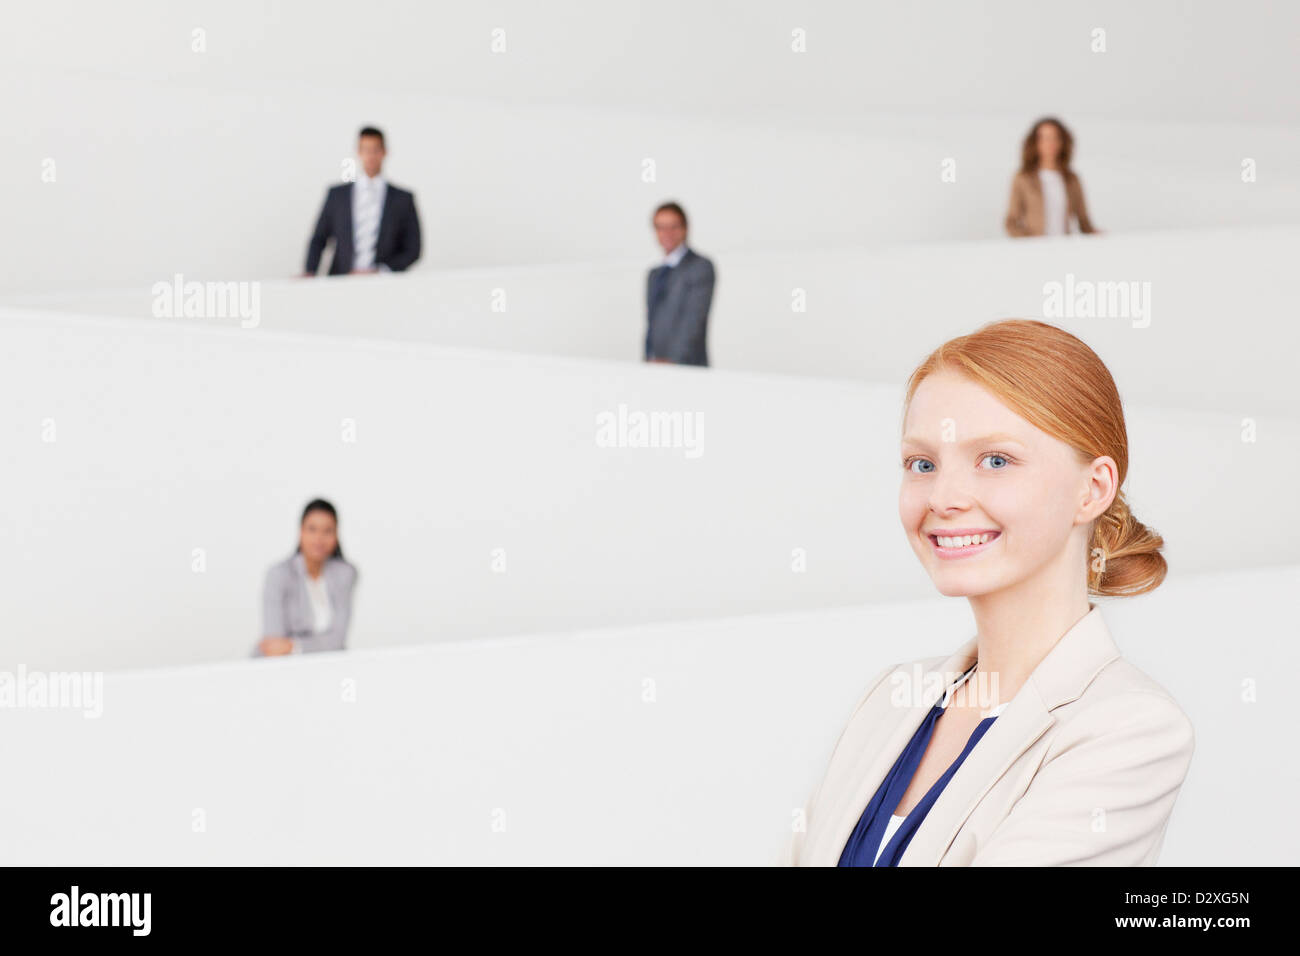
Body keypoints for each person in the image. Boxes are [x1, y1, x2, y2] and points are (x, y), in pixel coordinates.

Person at [784, 319, 1193, 866]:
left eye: (995, 460)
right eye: (922, 464)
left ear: (1092, 489)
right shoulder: (889, 699)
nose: (944, 496)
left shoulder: (1129, 727)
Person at [303, 126, 422, 276]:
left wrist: (381, 271)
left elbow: (413, 249)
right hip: (341, 280)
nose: (371, 156)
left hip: (384, 283)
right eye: (366, 150)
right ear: (358, 152)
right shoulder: (337, 195)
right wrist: (310, 271)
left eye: (375, 150)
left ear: (384, 152)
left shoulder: (403, 199)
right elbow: (319, 239)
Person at [255, 499, 359, 656]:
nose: (319, 538)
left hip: (324, 664)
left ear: (336, 535)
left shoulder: (345, 574)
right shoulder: (279, 574)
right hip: (278, 667)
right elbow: (274, 645)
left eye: (327, 531)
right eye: (312, 529)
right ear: (301, 532)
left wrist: (293, 646)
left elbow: (338, 640)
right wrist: (321, 644)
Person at [644, 201, 715, 367]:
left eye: (673, 227)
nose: (667, 233)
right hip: (655, 367)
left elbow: (693, 322)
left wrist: (672, 362)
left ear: (685, 228)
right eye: (661, 227)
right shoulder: (654, 275)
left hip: (686, 367)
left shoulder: (700, 267)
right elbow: (651, 326)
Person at [1004, 117, 1098, 237]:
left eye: (1055, 137)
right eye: (1045, 138)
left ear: (1062, 142)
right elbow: (1011, 222)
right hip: (1034, 247)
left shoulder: (1071, 179)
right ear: (1036, 142)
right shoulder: (1023, 178)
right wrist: (1028, 243)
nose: (1050, 143)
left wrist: (1096, 234)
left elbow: (1084, 221)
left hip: (1063, 246)